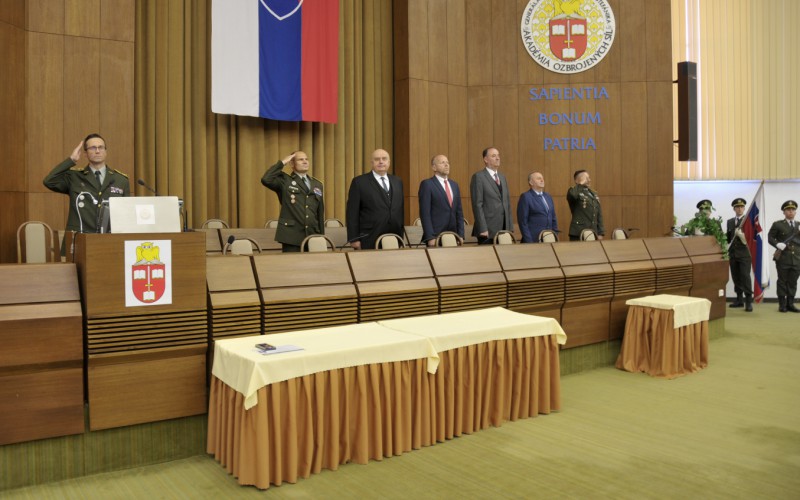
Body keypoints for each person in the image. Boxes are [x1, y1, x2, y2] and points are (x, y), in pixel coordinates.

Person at [43, 134, 130, 245]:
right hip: (79, 239)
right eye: (93, 148)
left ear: (106, 151)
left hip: (109, 240)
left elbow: (126, 214)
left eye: (101, 147)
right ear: (85, 153)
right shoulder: (74, 177)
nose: (97, 151)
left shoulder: (121, 180)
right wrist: (71, 160)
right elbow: (49, 181)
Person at [261, 151, 324, 252]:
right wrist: (282, 162)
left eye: (306, 159)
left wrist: (321, 236)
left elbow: (319, 213)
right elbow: (266, 179)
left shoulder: (317, 184)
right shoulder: (285, 181)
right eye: (300, 159)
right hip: (292, 236)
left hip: (312, 235)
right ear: (291, 163)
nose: (305, 162)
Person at [345, 149, 404, 250]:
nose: (381, 162)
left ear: (389, 162)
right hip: (369, 237)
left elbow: (400, 209)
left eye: (384, 159)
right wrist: (354, 238)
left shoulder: (397, 181)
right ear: (372, 163)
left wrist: (401, 234)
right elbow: (352, 212)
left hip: (394, 236)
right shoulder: (359, 182)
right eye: (377, 159)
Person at [418, 155, 464, 246]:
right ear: (434, 167)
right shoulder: (427, 184)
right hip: (435, 237)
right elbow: (425, 213)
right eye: (442, 163)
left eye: (447, 162)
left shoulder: (454, 185)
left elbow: (459, 213)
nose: (446, 165)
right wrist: (430, 237)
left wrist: (461, 235)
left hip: (454, 236)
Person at [470, 147, 513, 244]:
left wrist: (509, 227)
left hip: (504, 229)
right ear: (485, 159)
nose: (498, 158)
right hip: (487, 230)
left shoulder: (502, 177)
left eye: (498, 155)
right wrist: (482, 228)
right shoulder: (479, 177)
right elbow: (477, 205)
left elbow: (507, 203)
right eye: (494, 156)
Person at [767, 200, 800, 313]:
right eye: (788, 210)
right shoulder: (778, 224)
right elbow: (770, 237)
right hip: (783, 258)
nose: (791, 211)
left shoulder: (799, 225)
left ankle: (790, 304)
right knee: (782, 281)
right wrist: (777, 244)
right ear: (784, 212)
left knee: (793, 282)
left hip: (797, 259)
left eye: (793, 209)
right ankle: (782, 305)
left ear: (795, 212)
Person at [726, 198, 753, 311]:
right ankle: (739, 300)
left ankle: (748, 302)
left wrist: (743, 237)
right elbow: (728, 238)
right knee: (736, 277)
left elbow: (752, 237)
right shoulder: (730, 221)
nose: (740, 209)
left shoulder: (748, 221)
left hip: (745, 254)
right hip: (733, 254)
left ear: (744, 208)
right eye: (737, 207)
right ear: (734, 209)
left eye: (742, 207)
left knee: (745, 277)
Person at [517, 171, 558, 243]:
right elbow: (523, 222)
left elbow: (553, 217)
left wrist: (555, 235)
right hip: (533, 240)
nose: (542, 180)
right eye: (539, 178)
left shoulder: (548, 196)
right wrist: (529, 241)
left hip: (549, 239)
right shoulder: (526, 197)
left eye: (542, 178)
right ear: (531, 182)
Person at [566, 169, 603, 240]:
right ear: (577, 180)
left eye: (589, 178)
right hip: (578, 232)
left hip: (593, 233)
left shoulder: (593, 193)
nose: (589, 180)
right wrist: (580, 183)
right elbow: (573, 196)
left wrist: (600, 232)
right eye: (586, 178)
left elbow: (599, 214)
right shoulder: (573, 191)